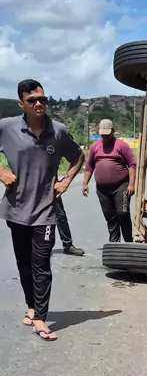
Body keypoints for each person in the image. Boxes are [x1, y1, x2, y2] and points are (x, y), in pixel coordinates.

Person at [0, 79, 84, 342]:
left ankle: (40, 318)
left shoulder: (58, 131)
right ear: (21, 104)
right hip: (16, 208)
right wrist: (1, 172)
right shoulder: (7, 127)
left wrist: (67, 180)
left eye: (42, 99)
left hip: (45, 210)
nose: (39, 104)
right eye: (32, 100)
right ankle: (31, 305)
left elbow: (78, 156)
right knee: (24, 262)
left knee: (41, 264)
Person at [82, 119, 136, 242]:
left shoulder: (121, 146)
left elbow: (132, 164)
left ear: (113, 131)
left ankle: (128, 241)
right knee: (109, 216)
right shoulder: (95, 146)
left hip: (121, 186)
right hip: (102, 189)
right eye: (102, 134)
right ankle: (114, 242)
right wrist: (85, 183)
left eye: (107, 134)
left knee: (122, 213)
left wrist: (131, 184)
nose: (105, 136)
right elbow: (90, 165)